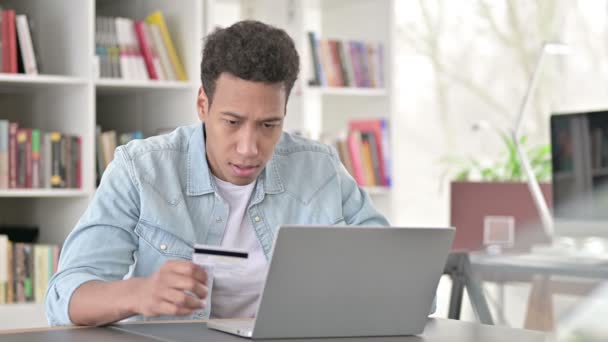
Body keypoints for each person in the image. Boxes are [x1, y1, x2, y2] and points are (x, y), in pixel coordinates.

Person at [45, 20, 389, 326]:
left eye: (269, 124)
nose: (249, 147)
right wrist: (137, 293)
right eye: (232, 122)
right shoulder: (140, 169)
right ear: (202, 105)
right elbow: (64, 297)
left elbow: (402, 283)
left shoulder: (320, 169)